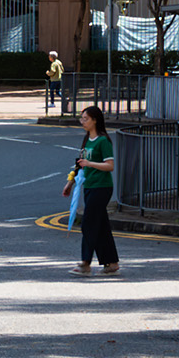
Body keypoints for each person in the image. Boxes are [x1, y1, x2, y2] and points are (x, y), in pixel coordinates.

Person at [69, 101, 120, 275]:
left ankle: (85, 262)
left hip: (102, 187)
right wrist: (70, 183)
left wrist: (90, 163)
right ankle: (111, 263)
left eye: (86, 119)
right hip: (89, 186)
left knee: (88, 223)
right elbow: (80, 164)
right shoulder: (86, 140)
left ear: (95, 120)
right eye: (81, 119)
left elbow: (110, 166)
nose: (83, 122)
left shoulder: (103, 141)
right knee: (101, 225)